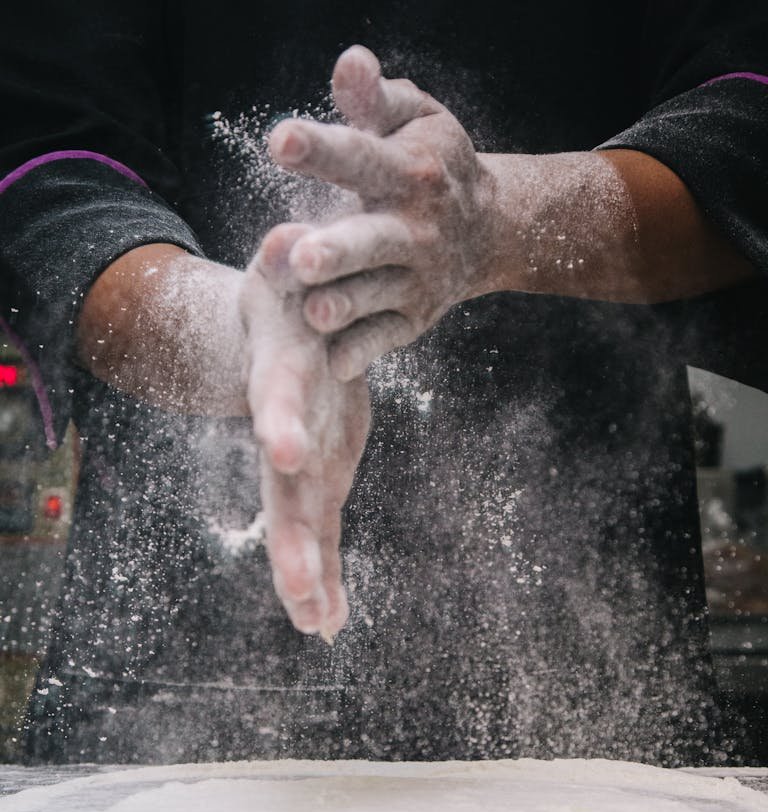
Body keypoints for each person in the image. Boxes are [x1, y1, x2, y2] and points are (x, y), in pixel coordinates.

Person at [1, 2, 767, 767]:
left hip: (593, 658)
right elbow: (48, 162)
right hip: (180, 684)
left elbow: (749, 116)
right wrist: (240, 337)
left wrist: (506, 219)